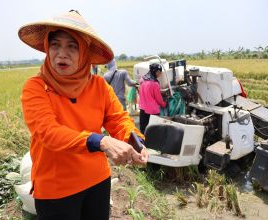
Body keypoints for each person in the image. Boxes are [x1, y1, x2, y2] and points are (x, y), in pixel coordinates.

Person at [18, 10, 148, 219]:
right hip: (55, 190)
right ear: (47, 48)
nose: (62, 53)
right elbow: (48, 132)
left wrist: (134, 140)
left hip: (97, 181)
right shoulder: (36, 87)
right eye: (55, 44)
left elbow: (117, 118)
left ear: (84, 52)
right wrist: (102, 142)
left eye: (72, 46)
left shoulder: (98, 85)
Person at [139, 63, 167, 134]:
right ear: (155, 71)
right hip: (152, 111)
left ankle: (142, 144)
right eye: (159, 72)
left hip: (142, 108)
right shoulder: (155, 84)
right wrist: (164, 104)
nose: (159, 74)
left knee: (143, 130)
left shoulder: (142, 79)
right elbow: (159, 99)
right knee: (153, 131)